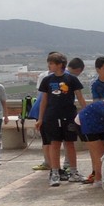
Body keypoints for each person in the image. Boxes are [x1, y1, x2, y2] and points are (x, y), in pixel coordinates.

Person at [35, 52, 87, 187]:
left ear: (59, 65)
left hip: (68, 116)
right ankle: (55, 172)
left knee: (70, 143)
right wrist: (40, 118)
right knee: (55, 144)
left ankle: (74, 172)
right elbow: (44, 101)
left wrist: (86, 113)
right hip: (51, 116)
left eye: (51, 63)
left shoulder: (72, 79)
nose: (49, 66)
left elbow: (80, 98)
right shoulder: (47, 80)